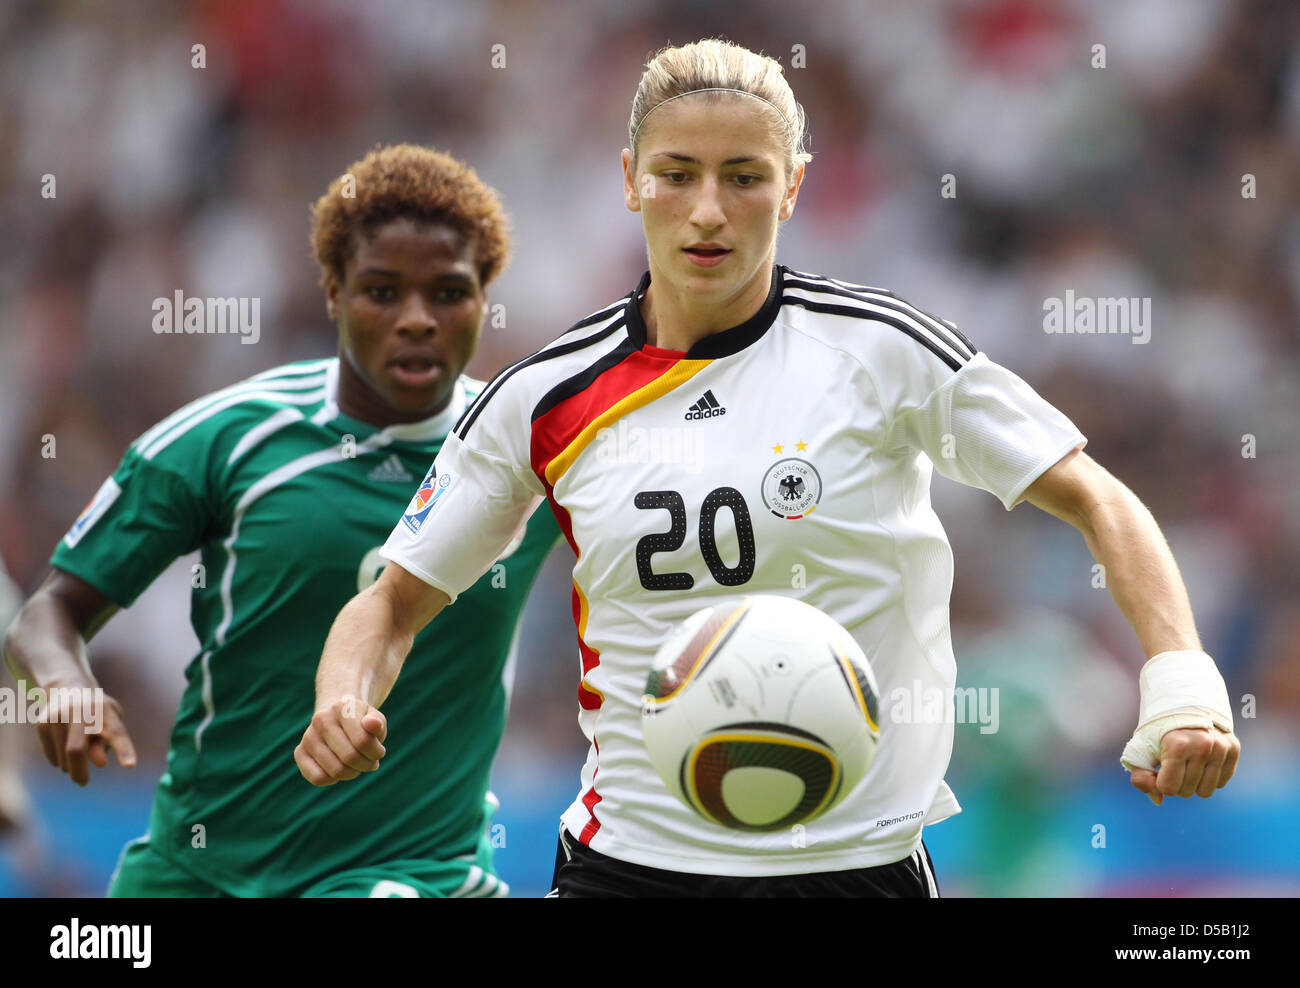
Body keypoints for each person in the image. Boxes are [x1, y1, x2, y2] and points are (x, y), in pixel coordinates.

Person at [296, 41, 1241, 897]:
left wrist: (1184, 681)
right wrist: (342, 700)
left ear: (793, 187)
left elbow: (1099, 501)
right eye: (678, 175)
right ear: (630, 181)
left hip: (854, 867)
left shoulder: (882, 351)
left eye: (744, 177)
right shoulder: (543, 398)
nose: (709, 210)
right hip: (630, 870)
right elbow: (388, 602)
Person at [4, 143, 561, 898]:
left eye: (449, 292)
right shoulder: (226, 439)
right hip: (197, 872)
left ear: (485, 295)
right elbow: (50, 611)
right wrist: (65, 685)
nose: (418, 320)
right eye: (382, 291)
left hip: (417, 875)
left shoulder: (532, 450)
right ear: (332, 294)